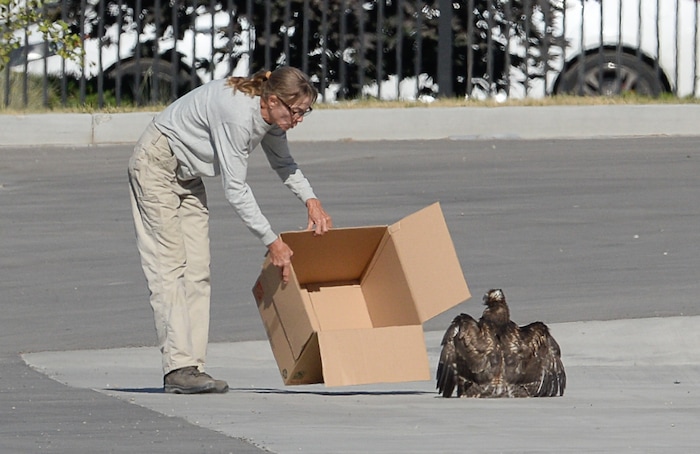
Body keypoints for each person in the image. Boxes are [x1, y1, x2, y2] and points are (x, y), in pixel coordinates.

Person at [127, 67, 332, 394]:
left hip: (188, 177)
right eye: (296, 112)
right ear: (274, 100)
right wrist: (272, 241)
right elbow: (235, 189)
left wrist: (311, 200)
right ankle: (178, 367)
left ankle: (192, 368)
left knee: (197, 271)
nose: (299, 120)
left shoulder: (272, 115)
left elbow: (284, 163)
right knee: (169, 269)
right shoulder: (237, 115)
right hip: (156, 165)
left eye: (305, 112)